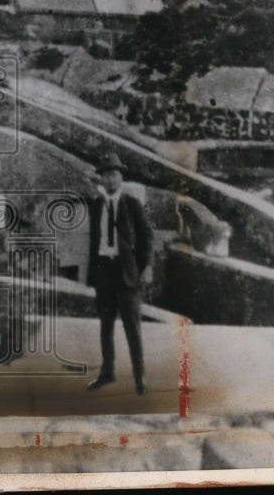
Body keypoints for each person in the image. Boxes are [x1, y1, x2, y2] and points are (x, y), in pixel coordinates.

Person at [85, 153, 153, 394]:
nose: (110, 180)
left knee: (132, 327)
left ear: (121, 177)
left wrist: (145, 267)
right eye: (106, 176)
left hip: (127, 273)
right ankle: (107, 373)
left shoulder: (132, 204)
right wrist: (92, 273)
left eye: (114, 175)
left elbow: (147, 238)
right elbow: (93, 241)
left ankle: (139, 377)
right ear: (102, 180)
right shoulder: (96, 206)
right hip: (104, 272)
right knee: (105, 326)